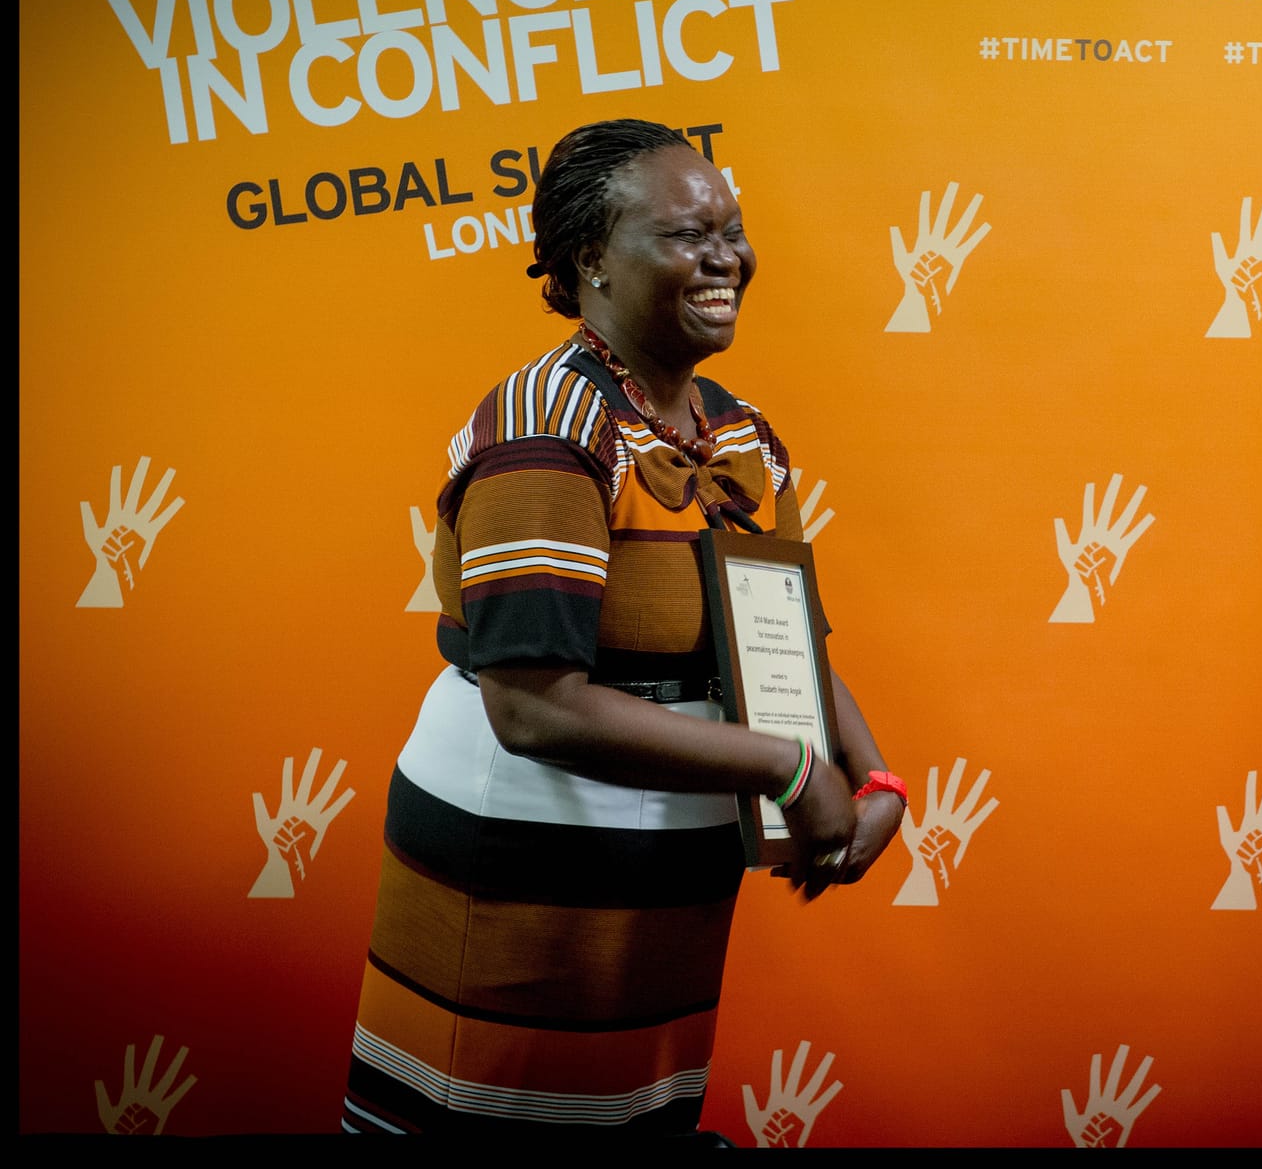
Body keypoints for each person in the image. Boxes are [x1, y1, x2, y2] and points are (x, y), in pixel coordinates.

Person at [340, 118, 909, 1135]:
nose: (725, 255)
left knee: (628, 1108)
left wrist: (874, 777)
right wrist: (782, 768)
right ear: (589, 258)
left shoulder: (736, 431)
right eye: (686, 233)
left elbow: (787, 640)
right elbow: (530, 705)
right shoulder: (544, 427)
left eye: (731, 228)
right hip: (520, 855)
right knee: (493, 1108)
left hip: (666, 868)